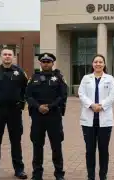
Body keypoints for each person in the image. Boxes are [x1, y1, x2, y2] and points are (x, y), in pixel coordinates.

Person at [0, 47, 28, 180]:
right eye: (5, 54)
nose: (7, 57)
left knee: (16, 141)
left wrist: (21, 101)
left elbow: (26, 89)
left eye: (9, 54)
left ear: (13, 57)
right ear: (1, 57)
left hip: (14, 111)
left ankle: (19, 170)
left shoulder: (20, 72)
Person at [26, 52, 68, 180]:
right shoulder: (34, 78)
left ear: (52, 63)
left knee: (56, 145)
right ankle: (37, 174)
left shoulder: (59, 78)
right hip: (37, 117)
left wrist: (49, 107)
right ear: (40, 63)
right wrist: (38, 107)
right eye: (43, 61)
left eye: (48, 62)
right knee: (37, 145)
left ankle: (59, 173)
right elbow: (28, 96)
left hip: (54, 116)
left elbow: (63, 96)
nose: (46, 64)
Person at [78, 54, 114, 180]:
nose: (98, 64)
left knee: (103, 150)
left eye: (100, 62)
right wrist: (91, 105)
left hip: (105, 120)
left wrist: (101, 106)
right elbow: (81, 93)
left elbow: (112, 95)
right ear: (92, 64)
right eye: (96, 62)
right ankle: (91, 176)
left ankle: (102, 176)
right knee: (90, 151)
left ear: (104, 64)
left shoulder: (109, 79)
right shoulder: (86, 78)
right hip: (88, 120)